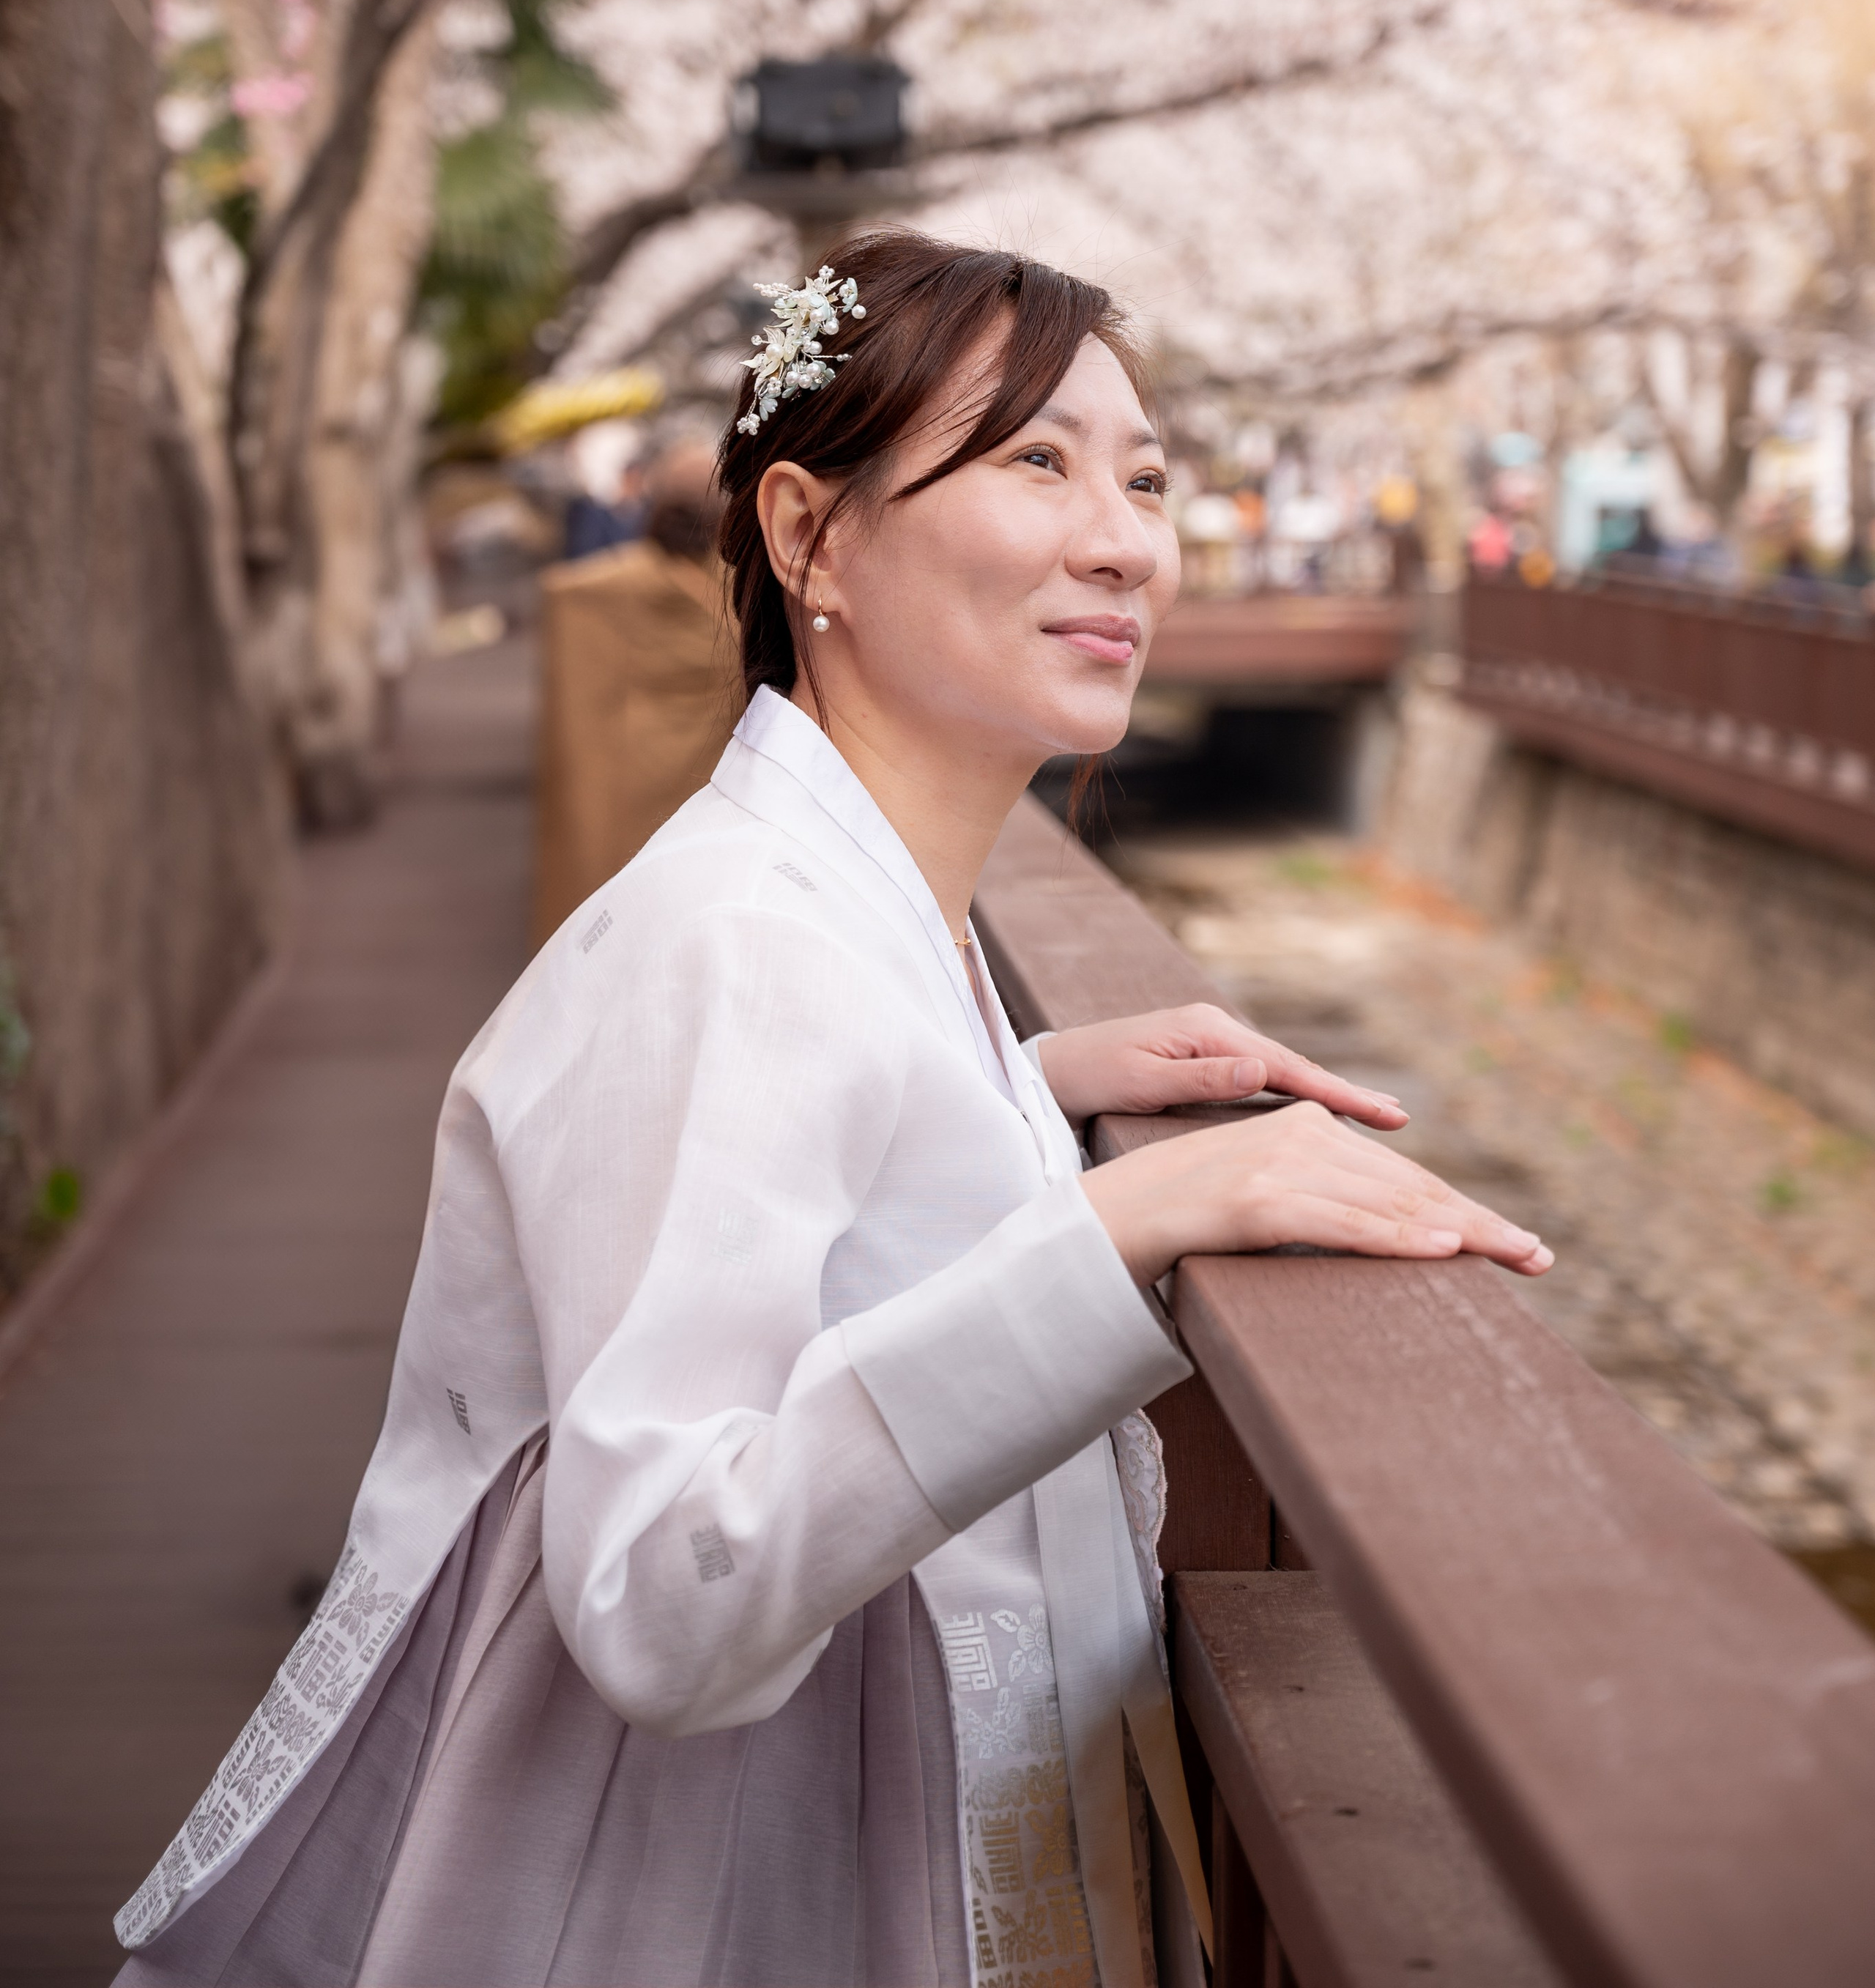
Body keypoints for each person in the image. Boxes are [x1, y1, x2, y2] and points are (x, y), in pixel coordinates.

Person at [114, 231, 1550, 1988]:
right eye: (1035, 460)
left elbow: (805, 1191)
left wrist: (1011, 1092)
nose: (1126, 539)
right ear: (808, 532)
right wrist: (1125, 1215)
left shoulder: (832, 916)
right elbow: (660, 1592)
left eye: (1146, 475)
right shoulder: (734, 945)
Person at [531, 439, 740, 944]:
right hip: (713, 770)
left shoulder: (612, 585)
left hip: (630, 769)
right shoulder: (743, 587)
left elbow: (562, 593)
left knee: (626, 910)